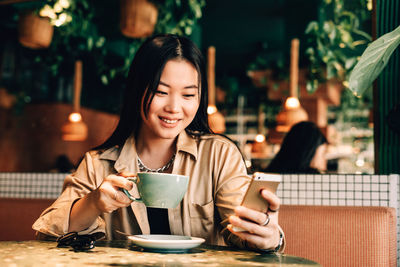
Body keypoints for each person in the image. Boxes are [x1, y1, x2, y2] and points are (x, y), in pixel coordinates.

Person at [33, 34, 284, 252]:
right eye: (161, 92)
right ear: (137, 90)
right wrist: (94, 202)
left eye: (188, 94)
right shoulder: (99, 163)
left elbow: (241, 231)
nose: (174, 108)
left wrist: (266, 235)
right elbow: (46, 235)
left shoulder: (219, 155)